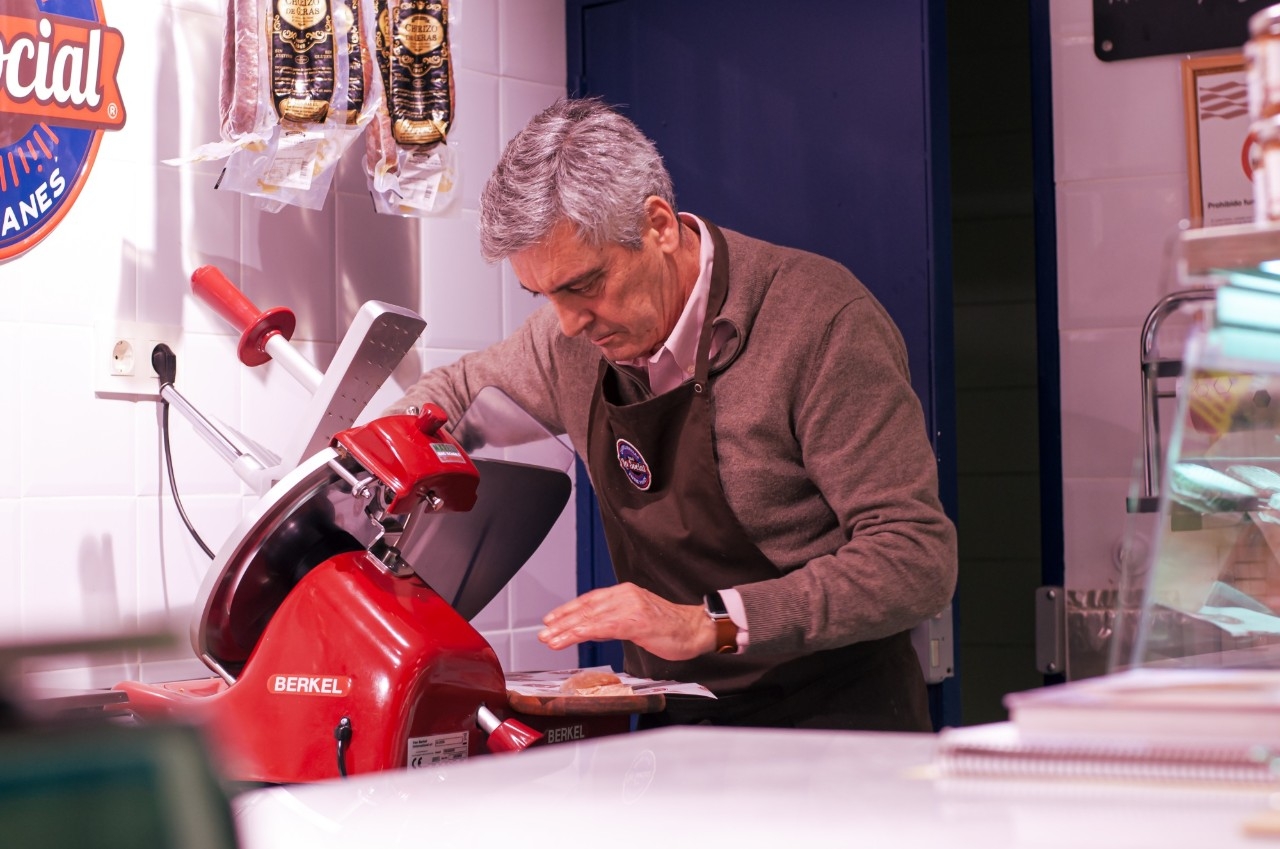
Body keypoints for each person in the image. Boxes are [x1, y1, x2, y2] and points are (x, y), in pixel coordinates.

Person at [391, 98, 958, 731]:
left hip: (839, 727)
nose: (570, 322)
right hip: (683, 731)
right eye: (544, 295)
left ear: (658, 225)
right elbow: (459, 391)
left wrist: (705, 623)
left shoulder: (819, 322)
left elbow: (915, 558)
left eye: (583, 285)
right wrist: (370, 462)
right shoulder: (568, 344)